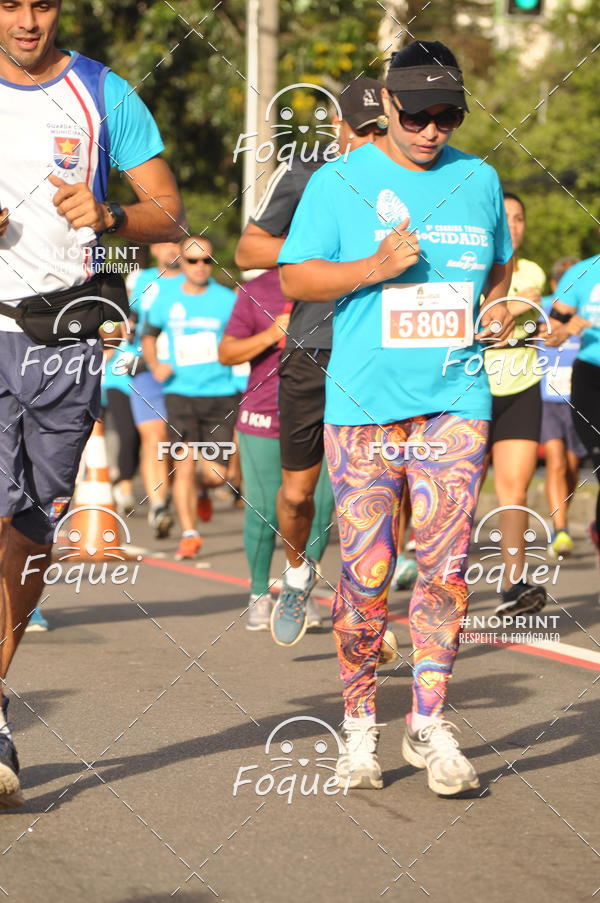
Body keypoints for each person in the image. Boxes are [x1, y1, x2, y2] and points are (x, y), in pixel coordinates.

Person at [278, 40, 514, 794]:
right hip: (365, 404)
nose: (431, 130)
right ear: (385, 104)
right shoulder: (338, 181)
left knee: (446, 570)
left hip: (457, 396)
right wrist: (372, 269)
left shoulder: (479, 179)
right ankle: (357, 729)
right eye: (417, 115)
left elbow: (499, 264)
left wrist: (498, 305)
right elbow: (293, 276)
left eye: (447, 116)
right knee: (368, 571)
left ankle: (428, 723)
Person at [0, 0, 183, 807]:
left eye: (41, 3)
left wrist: (110, 215)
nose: (26, 20)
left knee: (30, 526)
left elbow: (168, 211)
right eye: (11, 4)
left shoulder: (105, 92)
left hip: (65, 336)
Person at [236, 77, 387, 647]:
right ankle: (297, 573)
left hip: (379, 349)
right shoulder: (308, 173)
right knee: (298, 495)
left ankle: (370, 607)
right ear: (339, 128)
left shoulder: (412, 179)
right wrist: (329, 250)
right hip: (313, 345)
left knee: (379, 487)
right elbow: (248, 250)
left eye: (381, 129)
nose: (371, 140)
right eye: (361, 129)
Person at [219, 269, 334, 633]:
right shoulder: (257, 289)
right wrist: (272, 334)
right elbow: (226, 352)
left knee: (320, 509)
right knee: (265, 509)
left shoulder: (336, 280)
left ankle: (297, 589)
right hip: (264, 415)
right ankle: (258, 594)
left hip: (325, 413)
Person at [142, 235, 239, 561]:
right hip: (180, 392)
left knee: (218, 476)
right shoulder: (166, 298)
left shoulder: (226, 299)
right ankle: (189, 534)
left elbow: (240, 338)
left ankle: (202, 490)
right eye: (193, 260)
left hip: (220, 393)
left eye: (206, 260)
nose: (200, 266)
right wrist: (155, 365)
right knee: (183, 463)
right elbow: (148, 335)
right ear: (181, 262)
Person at [485, 193, 548, 617]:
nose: (513, 225)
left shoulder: (532, 271)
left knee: (514, 489)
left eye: (520, 218)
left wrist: (538, 325)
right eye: (505, 217)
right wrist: (514, 307)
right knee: (459, 491)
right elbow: (492, 316)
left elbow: (523, 307)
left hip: (522, 386)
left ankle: (513, 583)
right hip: (472, 389)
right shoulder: (471, 270)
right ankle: (442, 577)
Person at [538, 255, 600, 562]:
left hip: (573, 392)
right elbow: (545, 330)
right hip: (565, 390)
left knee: (573, 467)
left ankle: (584, 524)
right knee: (559, 462)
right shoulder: (575, 280)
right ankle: (561, 529)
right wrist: (561, 330)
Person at [128, 242, 183, 537]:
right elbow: (124, 319)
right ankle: (159, 505)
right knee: (154, 437)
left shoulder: (196, 281)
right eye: (164, 242)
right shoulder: (139, 280)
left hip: (187, 374)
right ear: (153, 248)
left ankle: (189, 489)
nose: (170, 249)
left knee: (181, 445)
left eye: (176, 241)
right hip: (146, 370)